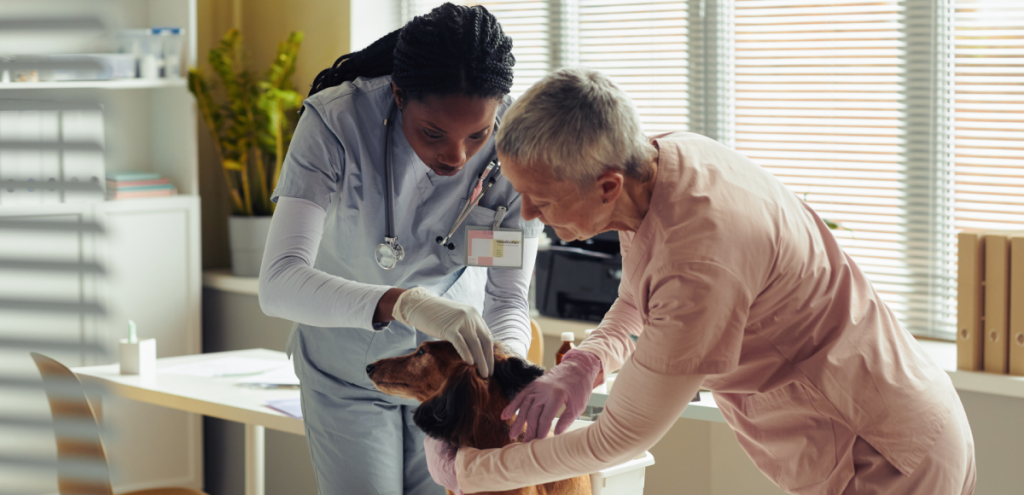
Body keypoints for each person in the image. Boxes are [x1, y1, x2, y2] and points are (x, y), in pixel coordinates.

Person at [424, 68, 976, 495]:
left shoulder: (702, 263)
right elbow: (638, 297)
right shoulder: (666, 160)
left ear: (607, 186)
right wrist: (584, 365)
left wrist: (478, 471)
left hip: (882, 451)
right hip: (876, 418)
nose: (525, 215)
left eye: (540, 200)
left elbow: (621, 437)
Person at [257, 4, 542, 494]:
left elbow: (507, 298)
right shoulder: (335, 124)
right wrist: (405, 302)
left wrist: (502, 373)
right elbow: (279, 281)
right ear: (398, 93)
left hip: (451, 388)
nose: (456, 156)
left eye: (477, 135)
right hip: (346, 372)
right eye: (433, 133)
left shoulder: (516, 147)